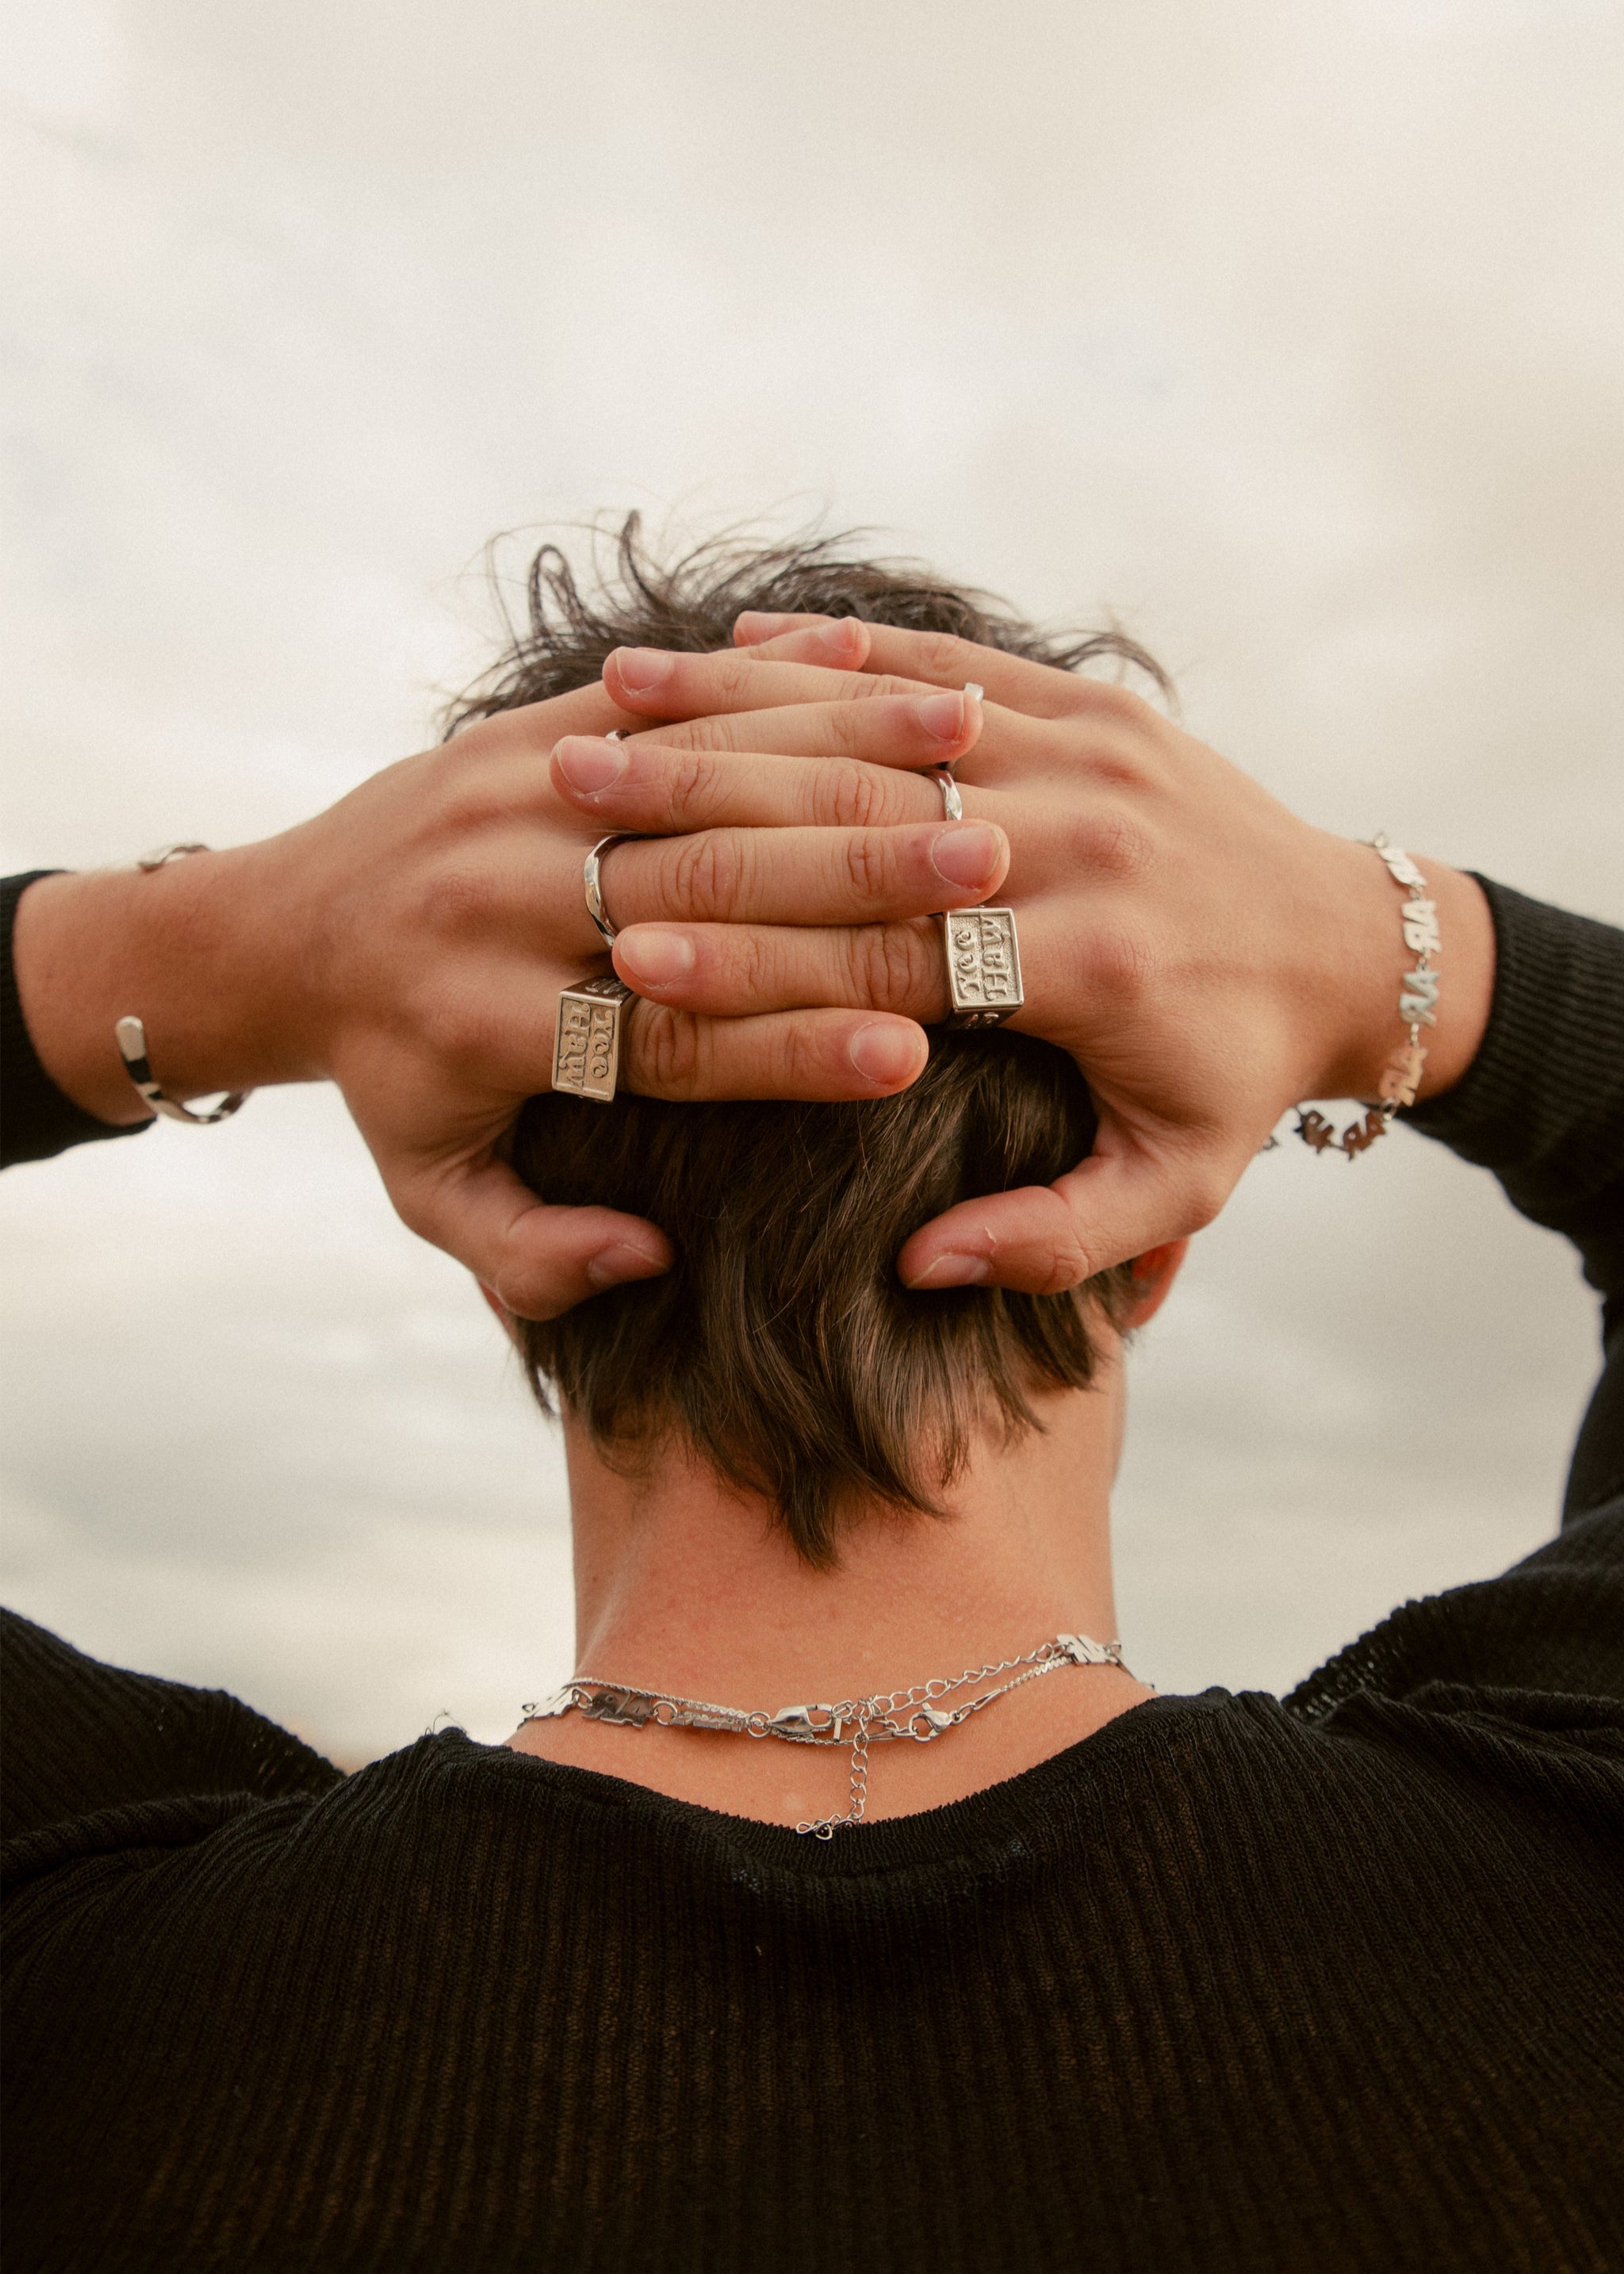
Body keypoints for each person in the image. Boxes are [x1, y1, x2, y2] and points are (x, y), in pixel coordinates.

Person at [2, 529, 1621, 2271]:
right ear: (1144, 1254)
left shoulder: (62, 1978)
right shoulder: (1572, 1875)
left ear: (509, 1248)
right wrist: (1403, 950)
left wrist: (204, 948)